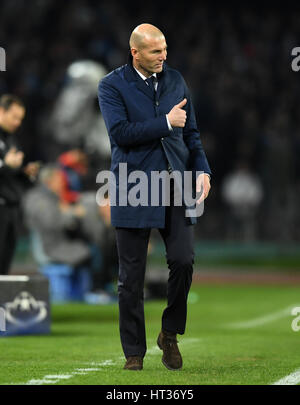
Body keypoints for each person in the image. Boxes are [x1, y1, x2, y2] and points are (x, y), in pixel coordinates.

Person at [98, 23, 211, 371]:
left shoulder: (176, 79)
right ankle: (134, 352)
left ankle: (170, 332)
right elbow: (120, 134)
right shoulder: (112, 85)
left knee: (183, 260)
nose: (163, 56)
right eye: (155, 51)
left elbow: (190, 132)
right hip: (134, 187)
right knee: (131, 277)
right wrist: (165, 122)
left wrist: (203, 168)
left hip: (176, 184)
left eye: (164, 49)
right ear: (135, 52)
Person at [0, 94, 40, 275]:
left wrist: (24, 172)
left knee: (5, 262)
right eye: (14, 117)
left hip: (11, 209)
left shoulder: (10, 139)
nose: (18, 122)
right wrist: (6, 165)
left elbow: (10, 175)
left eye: (20, 119)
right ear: (1, 111)